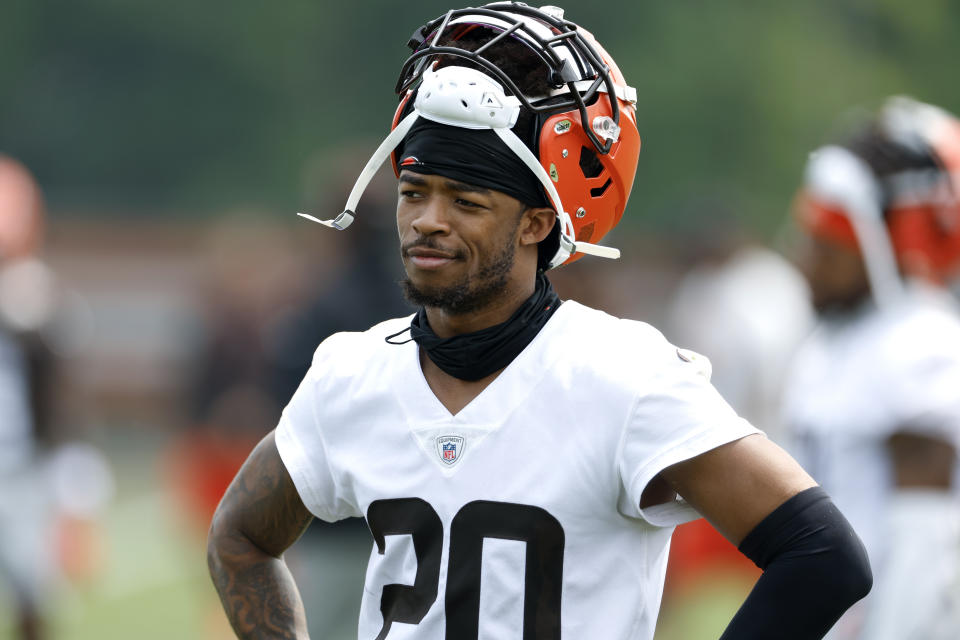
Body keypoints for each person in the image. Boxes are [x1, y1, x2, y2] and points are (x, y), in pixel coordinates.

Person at [207, 4, 871, 639]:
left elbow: (823, 555)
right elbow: (239, 536)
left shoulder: (622, 377)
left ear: (537, 222)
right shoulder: (354, 372)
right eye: (414, 193)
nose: (428, 221)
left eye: (466, 200)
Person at [784, 96, 960, 640]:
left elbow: (928, 538)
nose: (805, 263)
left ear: (888, 242)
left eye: (828, 247)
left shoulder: (919, 343)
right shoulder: (837, 341)